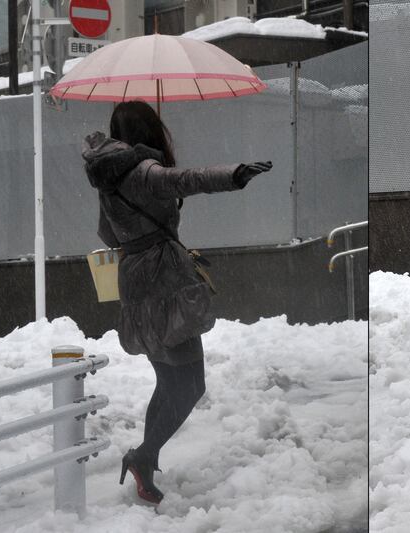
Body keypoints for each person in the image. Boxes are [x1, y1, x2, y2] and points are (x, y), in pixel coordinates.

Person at [82, 100, 272, 504]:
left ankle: (144, 462)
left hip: (134, 281)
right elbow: (189, 179)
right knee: (190, 385)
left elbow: (107, 235)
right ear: (150, 131)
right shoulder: (144, 171)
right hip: (165, 283)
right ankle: (143, 455)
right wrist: (235, 174)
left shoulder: (108, 177)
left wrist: (140, 226)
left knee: (169, 381)